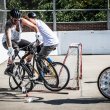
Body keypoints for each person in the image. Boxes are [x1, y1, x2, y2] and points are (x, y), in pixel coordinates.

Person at [2, 8, 39, 76]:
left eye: (18, 19)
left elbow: (34, 27)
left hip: (17, 41)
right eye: (15, 20)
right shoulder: (9, 24)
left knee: (33, 47)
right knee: (16, 49)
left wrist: (38, 36)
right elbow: (8, 37)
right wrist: (10, 48)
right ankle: (9, 67)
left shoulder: (21, 20)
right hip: (7, 42)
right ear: (11, 17)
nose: (16, 21)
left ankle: (27, 64)